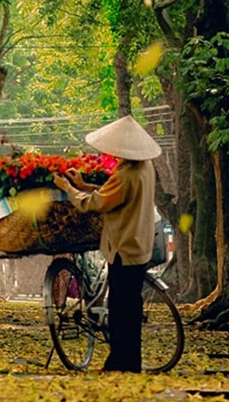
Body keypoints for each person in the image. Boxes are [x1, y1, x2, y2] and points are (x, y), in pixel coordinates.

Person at [53, 115, 161, 373]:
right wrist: (84, 184)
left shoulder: (126, 174)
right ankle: (128, 361)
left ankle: (121, 362)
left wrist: (68, 188)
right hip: (140, 243)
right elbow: (112, 194)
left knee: (121, 308)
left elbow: (94, 203)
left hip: (123, 246)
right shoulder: (145, 168)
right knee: (130, 306)